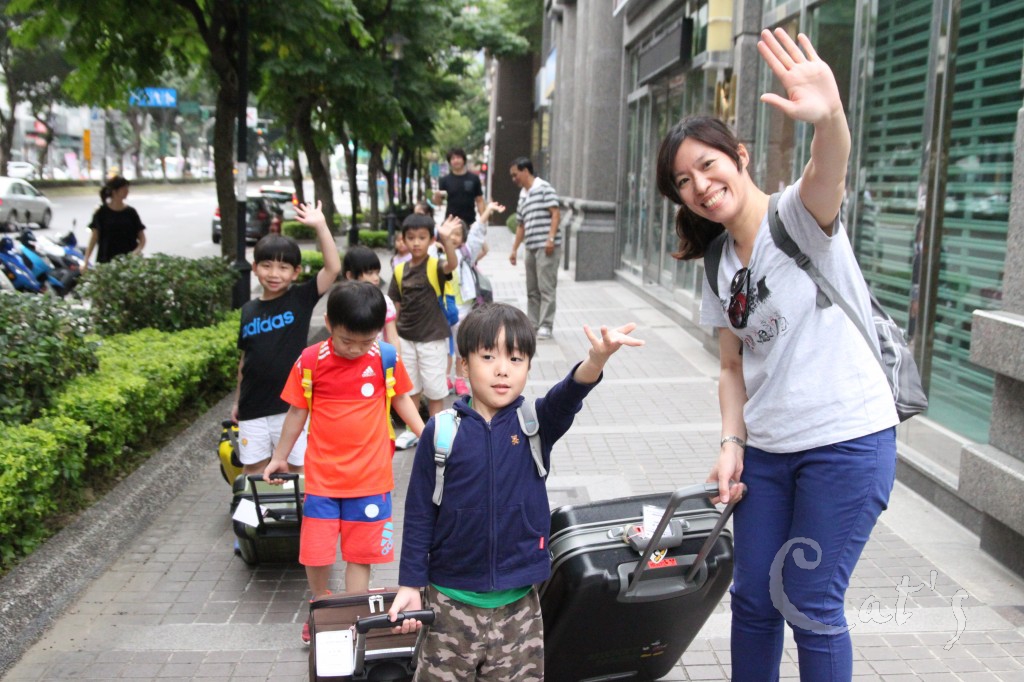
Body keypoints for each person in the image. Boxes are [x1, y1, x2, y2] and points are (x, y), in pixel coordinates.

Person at [654, 30, 898, 680]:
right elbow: (731, 367)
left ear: (740, 156)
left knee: (811, 604)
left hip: (845, 442)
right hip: (766, 453)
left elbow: (829, 166)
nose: (701, 186)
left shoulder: (797, 217)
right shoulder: (717, 263)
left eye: (708, 165)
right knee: (754, 600)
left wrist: (830, 117)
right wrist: (731, 442)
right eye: (684, 181)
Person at [386, 303, 643, 679]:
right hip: (449, 601)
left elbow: (569, 394)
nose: (502, 369)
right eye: (488, 357)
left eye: (516, 358)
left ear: (528, 367)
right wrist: (410, 584)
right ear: (464, 365)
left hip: (518, 603)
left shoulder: (535, 424)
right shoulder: (441, 432)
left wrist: (596, 359)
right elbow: (420, 512)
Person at [263, 281, 425, 644]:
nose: (355, 350)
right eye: (346, 341)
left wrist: (427, 435)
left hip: (371, 479)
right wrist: (279, 457)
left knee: (360, 554)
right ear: (328, 324)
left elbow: (401, 399)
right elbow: (296, 412)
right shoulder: (310, 361)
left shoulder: (384, 358)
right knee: (316, 552)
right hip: (322, 478)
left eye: (365, 342)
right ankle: (321, 607)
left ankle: (354, 613)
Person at [233, 201, 341, 476]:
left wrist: (320, 226)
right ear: (255, 267)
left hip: (292, 406)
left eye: (283, 267)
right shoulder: (248, 310)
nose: (274, 274)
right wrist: (236, 401)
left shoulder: (300, 298)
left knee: (296, 468)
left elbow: (332, 268)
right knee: (254, 469)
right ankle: (253, 507)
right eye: (266, 265)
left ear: (296, 272)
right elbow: (245, 360)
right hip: (252, 407)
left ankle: (300, 507)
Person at [387, 213, 460, 419]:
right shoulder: (399, 270)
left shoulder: (435, 266)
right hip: (406, 339)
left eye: (422, 237)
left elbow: (452, 264)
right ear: (403, 239)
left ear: (431, 240)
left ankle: (436, 430)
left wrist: (447, 239)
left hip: (432, 339)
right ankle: (414, 429)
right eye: (411, 238)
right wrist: (392, 338)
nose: (416, 242)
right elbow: (395, 307)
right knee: (410, 389)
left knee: (435, 391)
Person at [449, 201, 504, 395]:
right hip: (442, 309)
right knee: (443, 348)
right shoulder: (437, 255)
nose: (453, 238)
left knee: (459, 345)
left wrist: (487, 211)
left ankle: (459, 379)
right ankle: (445, 378)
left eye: (457, 234)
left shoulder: (466, 255)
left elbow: (477, 233)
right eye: (450, 233)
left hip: (463, 308)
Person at [508, 157, 560, 340]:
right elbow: (520, 225)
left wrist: (550, 239)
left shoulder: (544, 188)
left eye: (515, 174)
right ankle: (533, 324)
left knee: (546, 287)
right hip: (530, 247)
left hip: (546, 247)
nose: (514, 179)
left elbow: (555, 214)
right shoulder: (523, 195)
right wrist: (514, 249)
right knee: (532, 289)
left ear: (525, 171)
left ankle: (546, 325)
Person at [82, 175, 146, 269]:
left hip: (129, 264)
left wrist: (135, 253)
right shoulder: (101, 212)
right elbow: (94, 237)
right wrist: (86, 261)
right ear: (114, 191)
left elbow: (142, 239)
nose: (127, 191)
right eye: (124, 188)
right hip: (106, 262)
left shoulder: (131, 212)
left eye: (127, 188)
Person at [342, 245, 399, 347]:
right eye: (370, 273)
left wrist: (396, 357)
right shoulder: (341, 303)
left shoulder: (384, 302)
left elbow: (393, 338)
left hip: (377, 355)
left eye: (377, 273)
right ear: (350, 275)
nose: (376, 278)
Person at [433, 148, 485, 227]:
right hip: (451, 222)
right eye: (453, 158)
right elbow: (438, 203)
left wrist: (483, 221)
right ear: (450, 162)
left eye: (458, 157)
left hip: (470, 222)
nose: (456, 160)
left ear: (464, 160)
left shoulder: (474, 178)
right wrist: (436, 196)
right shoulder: (444, 180)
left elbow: (479, 200)